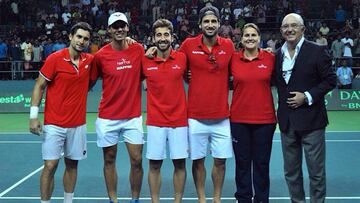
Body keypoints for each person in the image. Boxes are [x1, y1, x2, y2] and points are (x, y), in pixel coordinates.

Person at [274, 13, 336, 203]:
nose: (289, 29)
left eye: (294, 25)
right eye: (285, 26)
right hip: (287, 123)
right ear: (281, 31)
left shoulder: (317, 51)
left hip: (312, 121)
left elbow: (330, 80)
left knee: (316, 173)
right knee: (291, 173)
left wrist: (307, 96)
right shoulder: (276, 55)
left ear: (302, 29)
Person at [28, 22, 93, 203]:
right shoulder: (55, 59)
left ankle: (68, 201)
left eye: (85, 39)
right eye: (79, 36)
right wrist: (33, 117)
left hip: (78, 124)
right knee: (50, 165)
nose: (81, 41)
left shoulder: (90, 61)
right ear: (71, 37)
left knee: (72, 165)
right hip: (54, 124)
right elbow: (39, 86)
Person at [179, 5, 234, 203]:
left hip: (222, 116)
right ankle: (202, 199)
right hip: (195, 116)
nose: (210, 25)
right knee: (198, 160)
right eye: (206, 21)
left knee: (220, 161)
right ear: (200, 24)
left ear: (219, 24)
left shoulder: (228, 45)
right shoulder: (188, 44)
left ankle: (216, 199)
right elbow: (175, 63)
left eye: (213, 21)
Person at [90, 12, 144, 203]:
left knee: (137, 160)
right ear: (109, 30)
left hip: (132, 116)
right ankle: (113, 200)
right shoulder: (100, 56)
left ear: (127, 28)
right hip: (108, 117)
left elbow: (146, 74)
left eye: (123, 25)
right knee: (109, 159)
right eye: (115, 26)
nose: (119, 29)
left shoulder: (138, 50)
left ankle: (135, 199)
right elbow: (88, 82)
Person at [142, 18, 188, 203]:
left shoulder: (182, 58)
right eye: (159, 35)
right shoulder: (144, 61)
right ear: (153, 38)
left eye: (166, 34)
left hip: (179, 121)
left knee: (179, 164)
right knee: (154, 165)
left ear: (172, 37)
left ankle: (177, 201)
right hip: (155, 122)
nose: (163, 38)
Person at [230, 23, 276, 203]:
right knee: (242, 164)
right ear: (241, 39)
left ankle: (262, 199)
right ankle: (243, 198)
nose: (250, 38)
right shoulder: (233, 59)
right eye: (246, 35)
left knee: (262, 164)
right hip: (239, 120)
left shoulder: (271, 58)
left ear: (259, 38)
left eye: (253, 35)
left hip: (265, 120)